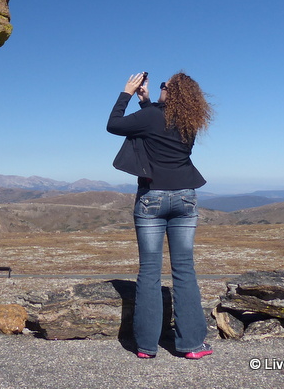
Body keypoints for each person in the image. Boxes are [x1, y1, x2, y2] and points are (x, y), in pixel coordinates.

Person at [106, 71, 213, 359]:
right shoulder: (189, 121)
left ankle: (146, 346)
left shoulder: (153, 117)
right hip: (185, 197)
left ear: (171, 92)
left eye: (164, 85)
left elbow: (114, 125)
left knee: (150, 271)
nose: (161, 88)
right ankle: (192, 345)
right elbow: (159, 128)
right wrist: (146, 101)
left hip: (152, 198)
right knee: (185, 270)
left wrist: (127, 93)